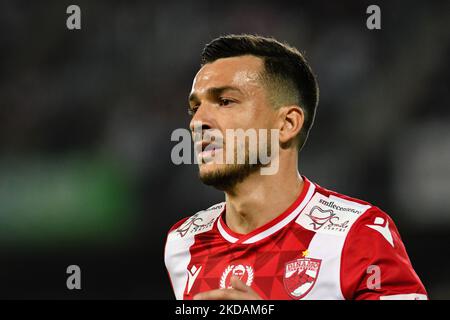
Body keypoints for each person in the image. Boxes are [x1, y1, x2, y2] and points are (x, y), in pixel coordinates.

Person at [164, 34, 428, 300]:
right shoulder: (184, 243)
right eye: (194, 108)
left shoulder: (357, 234)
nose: (197, 122)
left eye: (225, 101)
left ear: (287, 124)